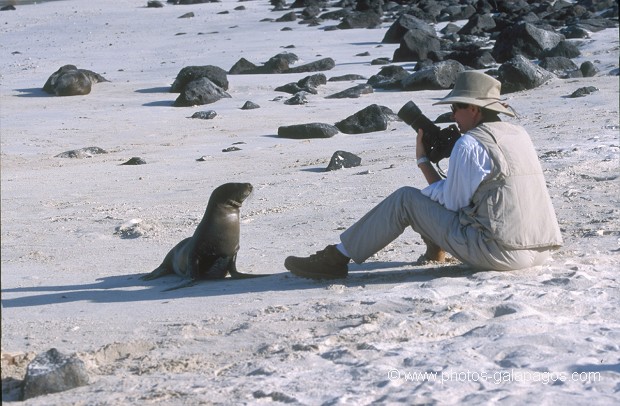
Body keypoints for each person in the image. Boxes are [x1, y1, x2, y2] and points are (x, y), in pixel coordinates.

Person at [284, 71, 563, 279]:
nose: (452, 115)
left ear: (475, 109)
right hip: (541, 249)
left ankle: (335, 258)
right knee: (433, 201)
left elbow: (451, 205)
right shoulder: (518, 134)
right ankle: (435, 253)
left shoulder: (469, 144)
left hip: (501, 254)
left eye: (456, 108)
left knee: (406, 199)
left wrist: (422, 160)